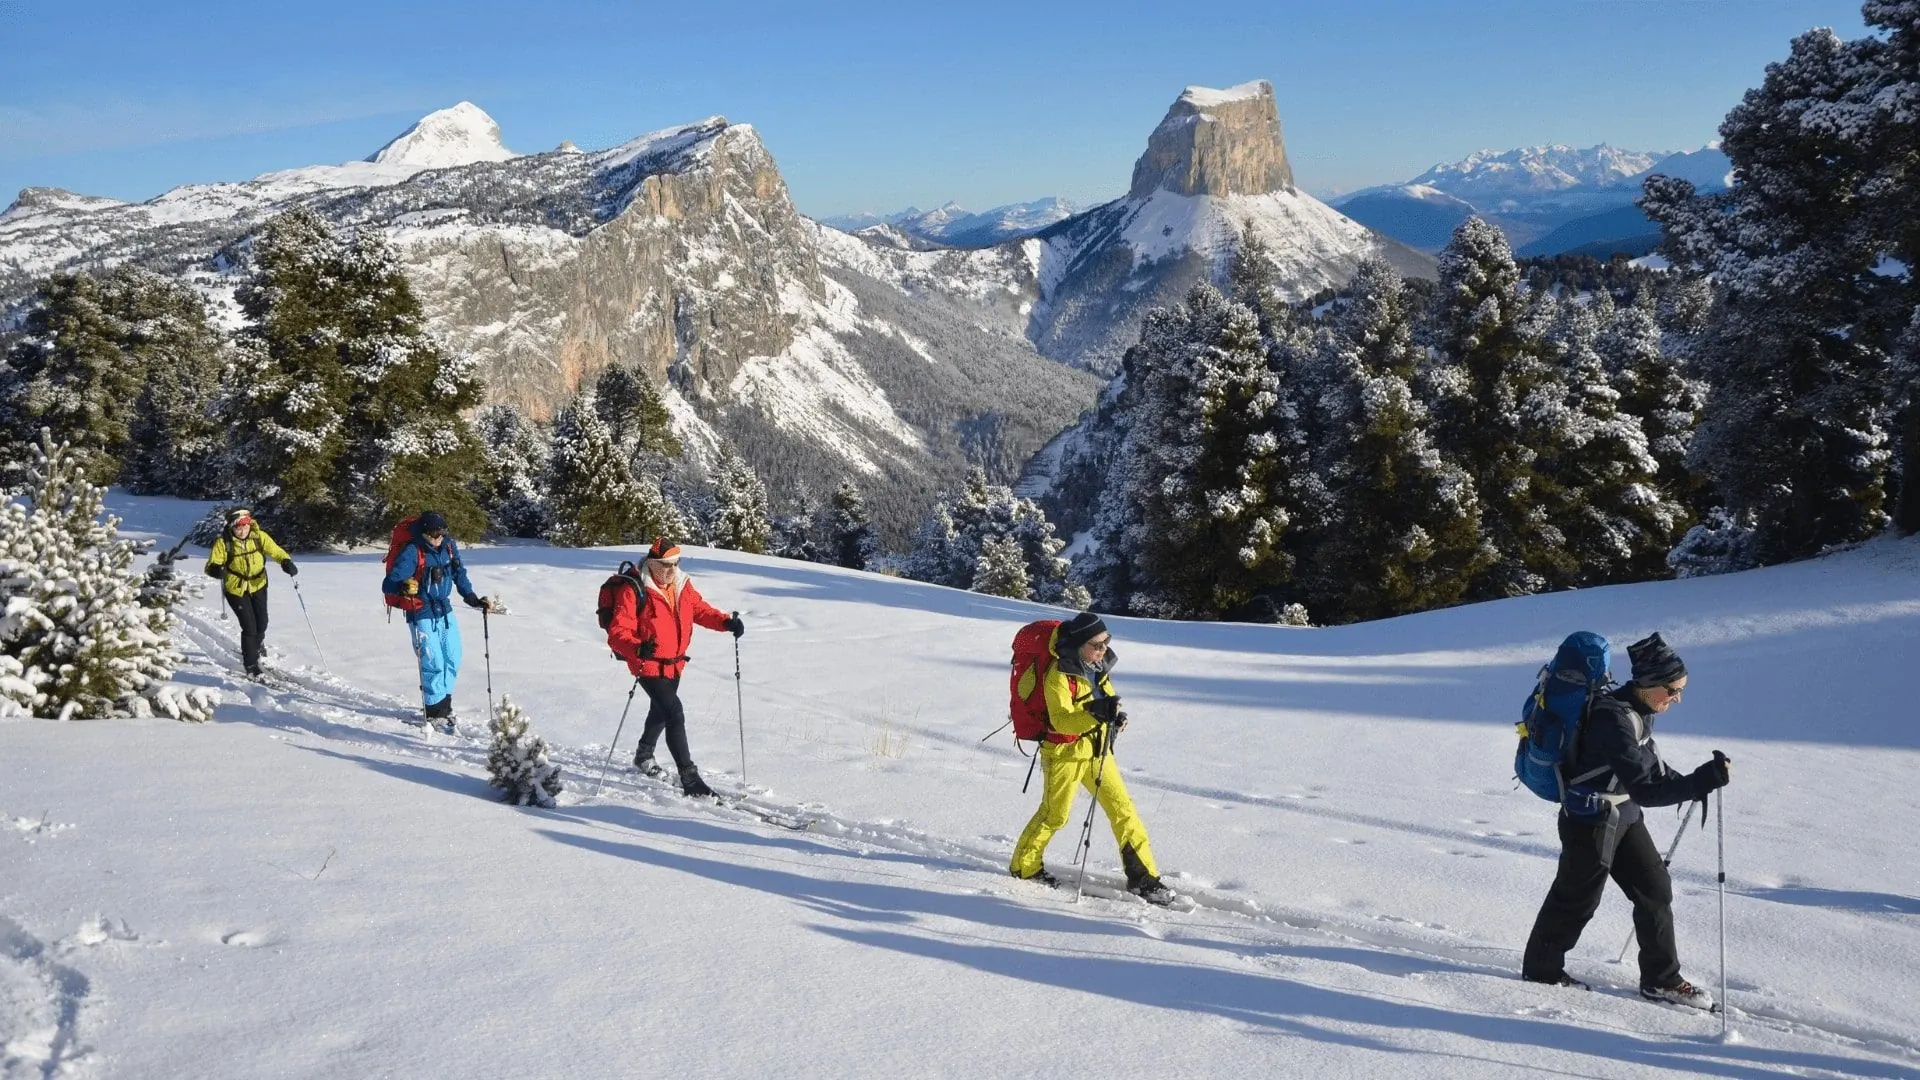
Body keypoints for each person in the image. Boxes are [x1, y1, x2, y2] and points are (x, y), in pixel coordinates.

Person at [1521, 632, 1732, 1009]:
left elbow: (1651, 774)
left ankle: (1661, 980)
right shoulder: (1612, 720)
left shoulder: (1639, 711)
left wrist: (1698, 780)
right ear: (1649, 684)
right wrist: (1700, 781)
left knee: (1656, 890)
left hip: (1624, 814)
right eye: (1673, 689)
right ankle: (1541, 970)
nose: (1677, 698)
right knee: (1576, 900)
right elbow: (1648, 790)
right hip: (1589, 818)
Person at [1008, 611, 1175, 905]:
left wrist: (1114, 717)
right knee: (1055, 815)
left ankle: (1144, 879)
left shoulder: (1098, 666)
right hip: (1063, 753)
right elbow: (1061, 721)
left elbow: (1105, 698)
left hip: (1097, 750)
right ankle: (1025, 867)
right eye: (1096, 644)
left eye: (1106, 641)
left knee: (1124, 810)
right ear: (1079, 643)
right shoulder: (1058, 673)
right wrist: (1094, 713)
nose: (1103, 649)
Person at [605, 537, 743, 798]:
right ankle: (690, 779)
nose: (671, 570)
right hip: (646, 663)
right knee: (674, 712)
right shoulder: (634, 589)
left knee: (661, 710)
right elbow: (617, 632)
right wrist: (636, 647)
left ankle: (643, 755)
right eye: (665, 565)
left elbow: (700, 610)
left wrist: (726, 623)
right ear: (651, 563)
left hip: (675, 663)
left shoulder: (681, 583)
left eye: (675, 563)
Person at [380, 510, 495, 731]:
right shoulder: (413, 550)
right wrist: (404, 586)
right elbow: (389, 584)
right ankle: (434, 712)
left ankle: (444, 706)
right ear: (423, 533)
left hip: (444, 609)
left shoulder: (449, 546)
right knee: (432, 662)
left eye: (441, 533)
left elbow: (459, 573)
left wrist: (471, 598)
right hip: (420, 612)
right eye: (433, 534)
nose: (437, 538)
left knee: (453, 656)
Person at [204, 508, 296, 678]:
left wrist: (285, 561)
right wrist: (216, 570)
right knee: (249, 627)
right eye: (239, 527)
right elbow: (211, 565)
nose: (243, 530)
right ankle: (251, 665)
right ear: (232, 527)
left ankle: (257, 646)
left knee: (262, 622)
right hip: (236, 588)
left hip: (258, 583)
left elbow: (275, 550)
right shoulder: (224, 543)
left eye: (245, 526)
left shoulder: (259, 536)